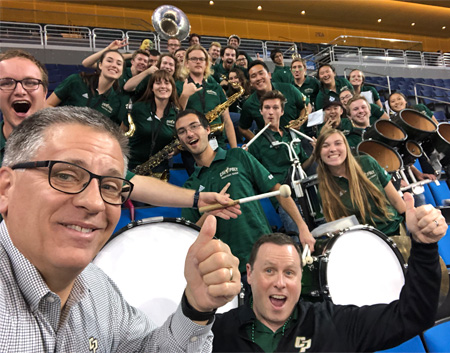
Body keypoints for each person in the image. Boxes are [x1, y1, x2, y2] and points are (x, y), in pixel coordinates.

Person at [0, 106, 241, 351]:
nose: (94, 203)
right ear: (6, 188)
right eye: (65, 175)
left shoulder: (98, 285)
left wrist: (195, 309)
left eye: (110, 186)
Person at [0, 49, 241, 222]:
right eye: (7, 82)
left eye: (31, 83)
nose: (20, 89)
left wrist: (198, 199)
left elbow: (132, 182)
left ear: (44, 92)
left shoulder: (67, 147)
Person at [212, 204, 446, 352]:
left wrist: (424, 248)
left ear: (301, 278)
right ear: (250, 274)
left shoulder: (333, 324)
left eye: (290, 272)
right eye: (269, 270)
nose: (280, 282)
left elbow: (413, 316)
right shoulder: (216, 334)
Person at [177, 109, 309, 276]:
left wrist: (302, 227)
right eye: (182, 131)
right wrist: (210, 213)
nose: (189, 134)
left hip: (264, 255)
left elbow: (278, 191)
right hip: (227, 269)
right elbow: (191, 235)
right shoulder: (190, 187)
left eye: (194, 126)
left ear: (208, 129)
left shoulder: (238, 156)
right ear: (180, 141)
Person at [247, 90, 316, 247]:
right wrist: (245, 157)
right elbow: (255, 179)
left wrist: (314, 155)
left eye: (275, 107)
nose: (271, 112)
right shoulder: (256, 143)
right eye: (267, 107)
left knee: (319, 232)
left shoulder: (292, 135)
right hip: (283, 197)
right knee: (299, 241)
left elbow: (304, 164)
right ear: (261, 111)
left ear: (282, 111)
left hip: (304, 192)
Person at [314, 129, 406, 236]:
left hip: (394, 229)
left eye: (338, 143)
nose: (332, 149)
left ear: (346, 147)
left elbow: (396, 201)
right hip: (366, 241)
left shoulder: (367, 162)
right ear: (319, 153)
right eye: (325, 146)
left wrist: (411, 227)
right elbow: (338, 229)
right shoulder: (324, 191)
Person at [177, 45, 237, 151]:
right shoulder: (178, 86)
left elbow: (227, 120)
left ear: (206, 63)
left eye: (201, 59)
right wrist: (184, 96)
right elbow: (175, 116)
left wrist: (235, 149)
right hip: (192, 145)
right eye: (194, 59)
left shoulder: (216, 87)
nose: (198, 62)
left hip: (217, 143)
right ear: (186, 63)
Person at [46, 49, 128, 126]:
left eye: (119, 64)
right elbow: (48, 105)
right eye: (109, 61)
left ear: (121, 71)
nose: (114, 65)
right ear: (100, 65)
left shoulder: (116, 101)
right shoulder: (76, 81)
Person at [124, 70, 181, 174]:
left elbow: (178, 142)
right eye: (158, 83)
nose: (163, 86)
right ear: (151, 88)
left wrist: (176, 150)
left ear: (172, 88)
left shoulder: (177, 113)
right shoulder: (137, 109)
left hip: (159, 169)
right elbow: (121, 133)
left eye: (167, 83)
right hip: (132, 166)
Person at [238, 60, 307, 141]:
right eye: (253, 76)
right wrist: (257, 143)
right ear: (250, 83)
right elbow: (242, 128)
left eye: (261, 73)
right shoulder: (249, 104)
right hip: (272, 148)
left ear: (269, 75)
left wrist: (300, 121)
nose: (258, 78)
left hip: (298, 140)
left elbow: (306, 106)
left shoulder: (289, 89)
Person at [81, 39, 149, 89]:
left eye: (145, 61)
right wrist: (108, 49)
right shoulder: (119, 70)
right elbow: (86, 63)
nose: (142, 62)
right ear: (132, 61)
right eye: (139, 59)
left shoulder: (147, 78)